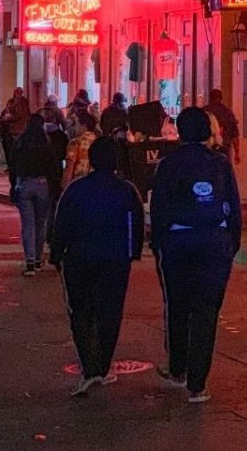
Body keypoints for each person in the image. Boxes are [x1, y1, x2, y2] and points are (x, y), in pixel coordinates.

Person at [150, 107, 242, 404]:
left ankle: (178, 367)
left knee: (178, 305)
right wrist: (231, 242)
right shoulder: (220, 163)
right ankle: (198, 383)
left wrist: (159, 242)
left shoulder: (168, 164)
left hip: (178, 241)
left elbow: (159, 209)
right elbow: (234, 205)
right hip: (214, 241)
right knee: (205, 311)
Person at [50, 137, 145, 397]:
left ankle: (89, 363)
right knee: (110, 312)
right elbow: (136, 226)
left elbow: (62, 224)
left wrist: (57, 253)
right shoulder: (126, 190)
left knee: (81, 311)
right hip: (115, 259)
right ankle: (101, 364)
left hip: (79, 258)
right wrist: (132, 253)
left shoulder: (76, 190)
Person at [12, 114, 56, 276]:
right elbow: (52, 167)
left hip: (25, 183)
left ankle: (30, 261)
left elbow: (13, 165)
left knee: (27, 224)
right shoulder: (45, 144)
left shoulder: (20, 143)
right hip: (42, 183)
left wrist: (14, 184)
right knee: (40, 223)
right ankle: (38, 258)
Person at [40, 107, 70, 260]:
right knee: (53, 205)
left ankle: (41, 240)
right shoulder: (61, 136)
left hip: (40, 173)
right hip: (56, 172)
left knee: (42, 208)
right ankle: (50, 236)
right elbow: (65, 155)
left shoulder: (39, 136)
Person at [202, 88, 240, 164]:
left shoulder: (203, 111)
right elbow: (235, 136)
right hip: (224, 149)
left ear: (210, 98)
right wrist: (237, 153)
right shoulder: (228, 113)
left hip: (206, 149)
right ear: (221, 98)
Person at [62, 112, 98, 190]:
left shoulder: (75, 142)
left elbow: (69, 167)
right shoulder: (98, 141)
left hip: (78, 184)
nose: (74, 127)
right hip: (95, 184)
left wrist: (65, 187)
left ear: (84, 126)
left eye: (76, 124)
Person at [0, 88, 30, 168]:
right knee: (8, 148)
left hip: (16, 130)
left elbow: (19, 115)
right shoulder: (12, 102)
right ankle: (10, 165)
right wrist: (3, 119)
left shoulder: (22, 103)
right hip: (8, 129)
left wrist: (8, 118)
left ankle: (14, 165)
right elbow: (2, 117)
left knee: (13, 148)